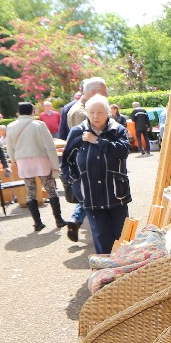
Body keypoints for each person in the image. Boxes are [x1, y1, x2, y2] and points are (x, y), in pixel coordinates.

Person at [61, 95, 130, 254]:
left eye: (100, 112)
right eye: (91, 112)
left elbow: (123, 151)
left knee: (122, 236)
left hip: (116, 193)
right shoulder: (77, 132)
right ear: (86, 113)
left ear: (108, 113)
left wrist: (98, 141)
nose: (95, 116)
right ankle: (105, 269)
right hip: (90, 195)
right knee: (101, 237)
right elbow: (66, 162)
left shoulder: (117, 130)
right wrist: (75, 183)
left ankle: (124, 268)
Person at [62, 79, 108, 241]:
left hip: (86, 163)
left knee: (88, 195)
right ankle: (78, 220)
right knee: (90, 195)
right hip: (88, 164)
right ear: (95, 93)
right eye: (104, 92)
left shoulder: (76, 108)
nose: (106, 96)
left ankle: (76, 219)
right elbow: (84, 141)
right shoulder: (81, 112)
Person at [6, 102, 64, 231]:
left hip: (23, 161)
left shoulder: (11, 126)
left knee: (30, 191)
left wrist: (14, 160)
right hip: (41, 159)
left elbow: (9, 147)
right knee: (50, 189)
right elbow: (50, 146)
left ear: (18, 112)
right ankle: (59, 220)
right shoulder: (39, 125)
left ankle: (37, 223)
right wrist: (55, 164)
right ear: (32, 111)